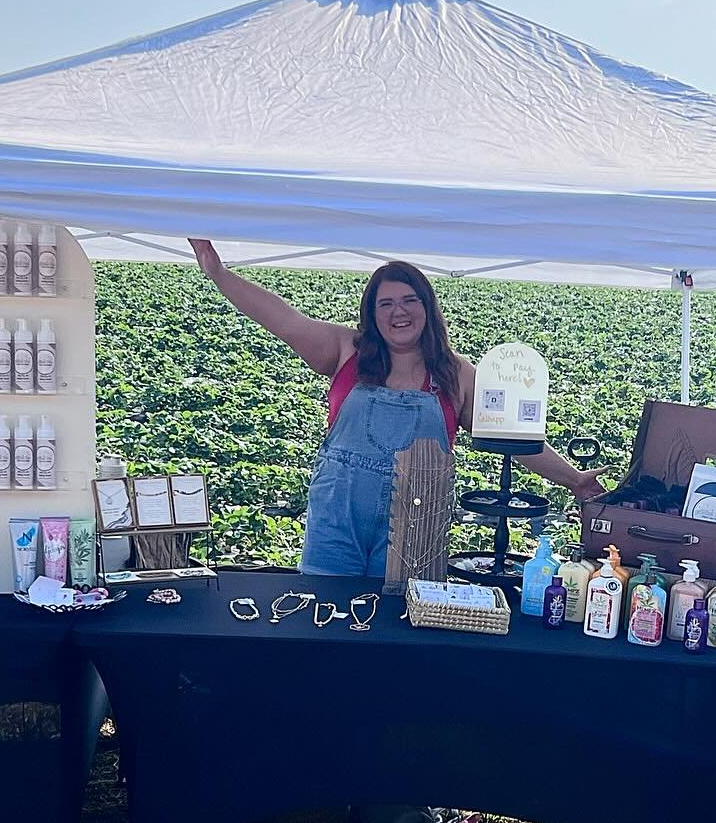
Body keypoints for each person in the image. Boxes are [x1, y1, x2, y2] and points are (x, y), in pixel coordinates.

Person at [188, 243, 602, 577]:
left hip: (415, 530)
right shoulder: (344, 351)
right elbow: (282, 319)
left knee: (398, 636)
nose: (398, 312)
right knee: (326, 626)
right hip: (337, 524)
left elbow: (514, 440)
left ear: (427, 307)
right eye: (385, 304)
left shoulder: (457, 375)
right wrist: (219, 275)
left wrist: (575, 479)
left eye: (409, 300)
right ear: (372, 312)